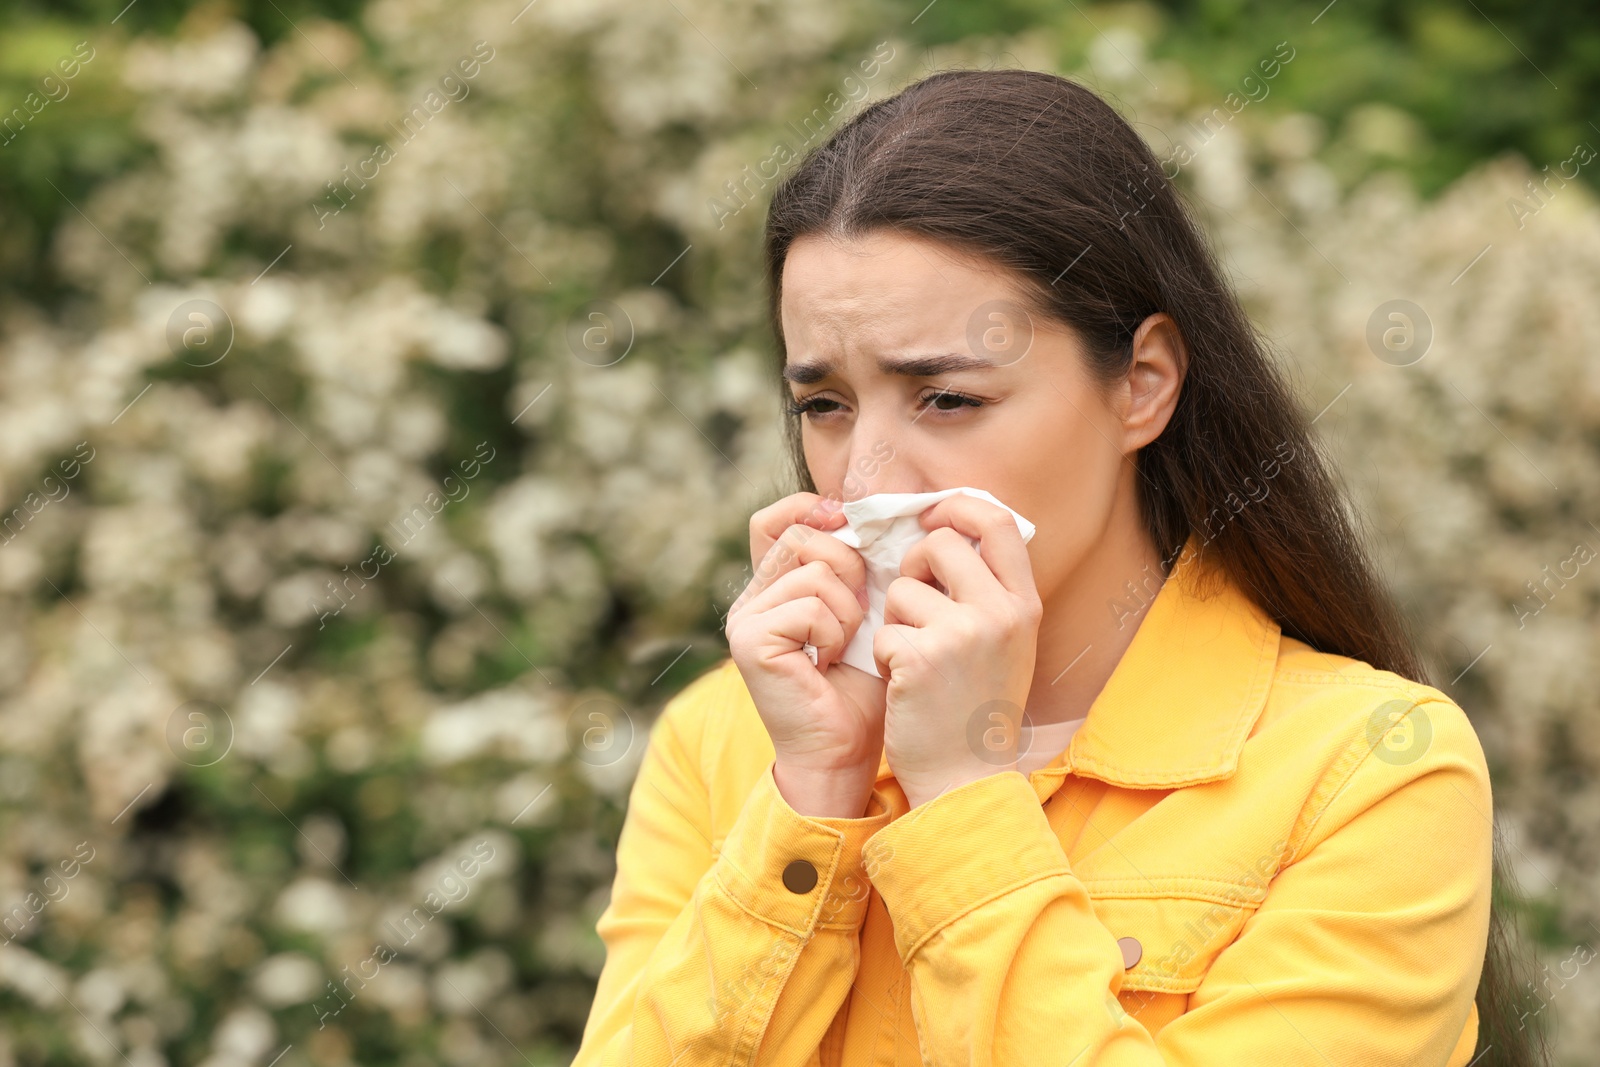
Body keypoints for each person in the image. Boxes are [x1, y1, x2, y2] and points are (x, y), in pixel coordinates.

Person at [570, 69, 1546, 1066]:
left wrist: (961, 787)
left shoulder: (1368, 770)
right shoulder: (726, 742)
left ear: (1143, 384)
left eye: (946, 398)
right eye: (824, 405)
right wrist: (816, 788)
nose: (867, 475)